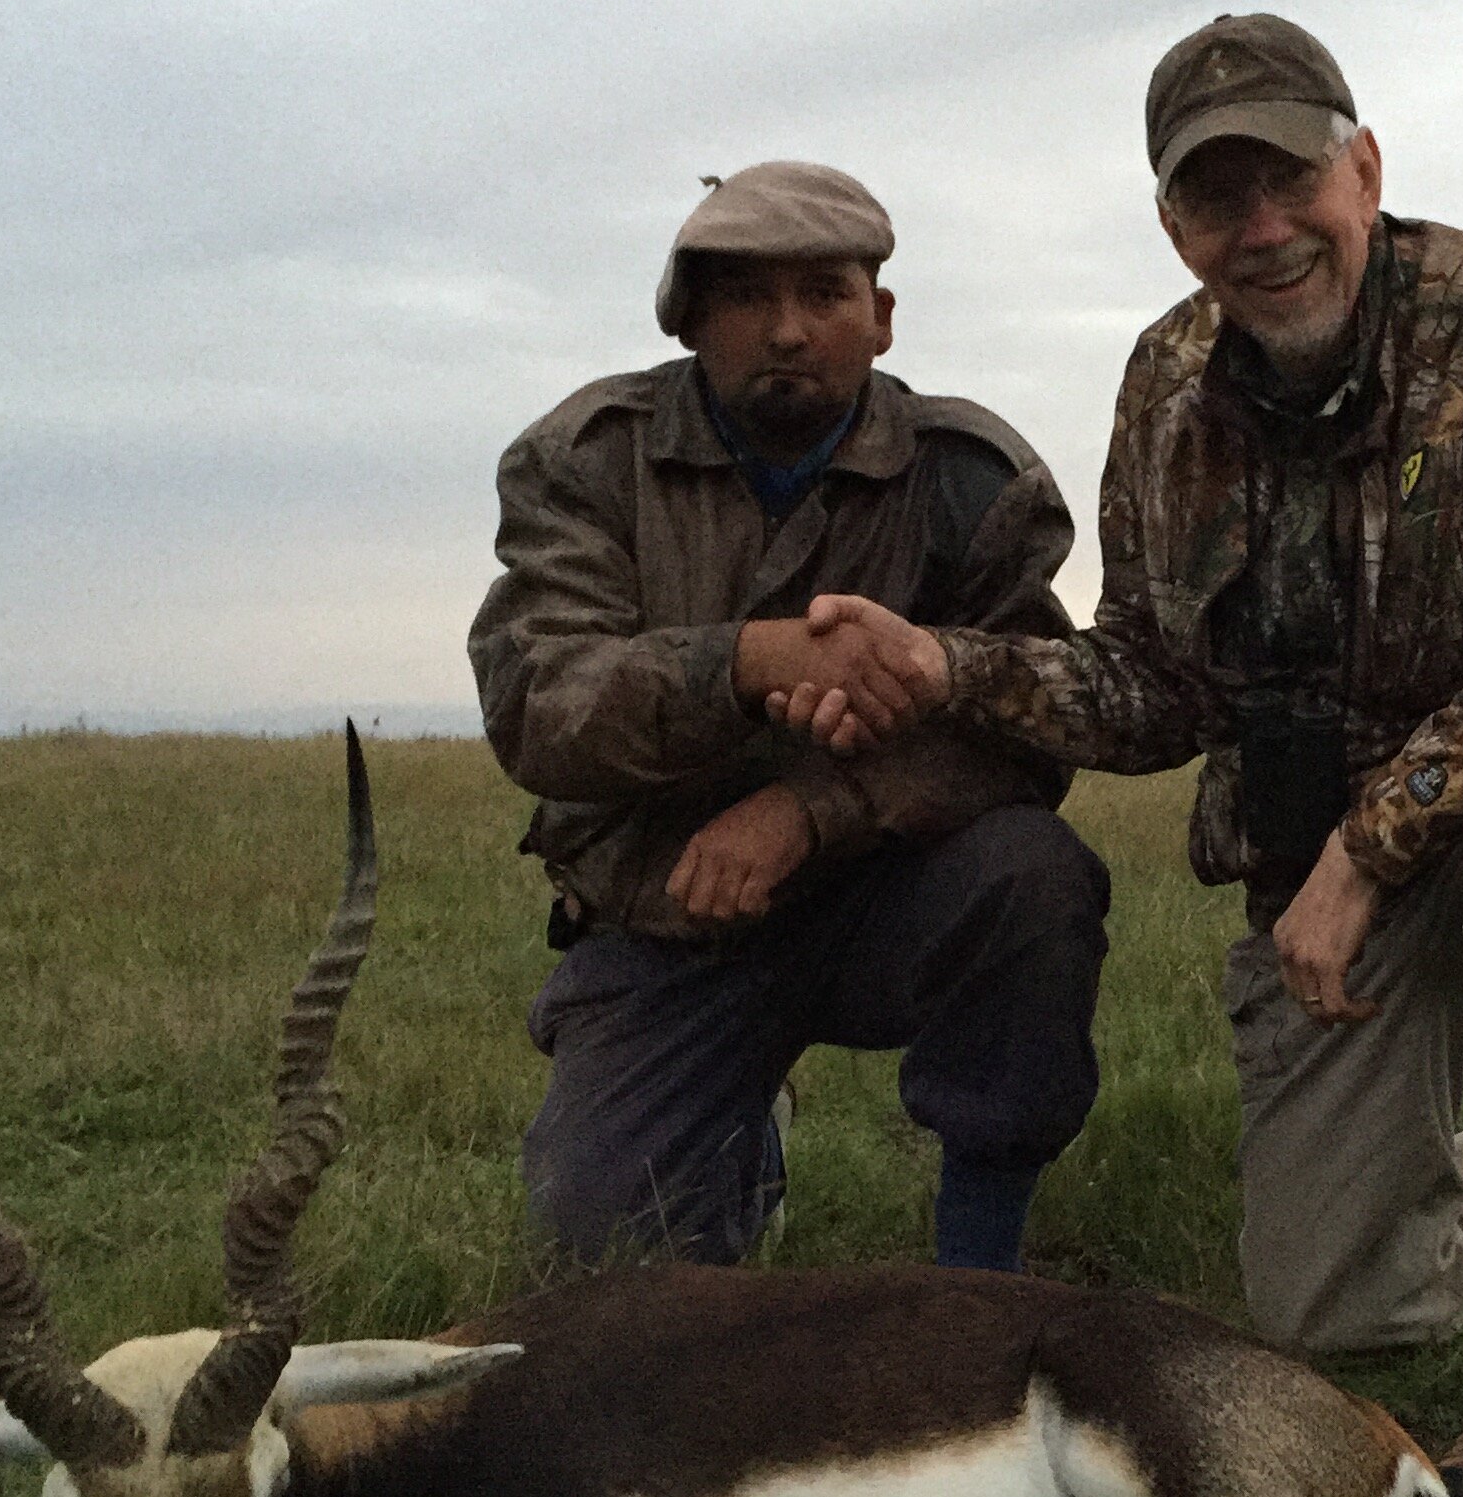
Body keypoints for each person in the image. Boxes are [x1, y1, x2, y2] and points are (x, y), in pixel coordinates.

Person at [774, 19, 1463, 1497]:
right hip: (1320, 879)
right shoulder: (1166, 384)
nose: (1263, 233)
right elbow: (1153, 683)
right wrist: (942, 668)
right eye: (1219, 203)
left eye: (1289, 180)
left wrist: (1375, 835)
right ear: (1174, 225)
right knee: (1331, 1310)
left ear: (1365, 167)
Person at [468, 161, 1108, 1276]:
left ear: (883, 318)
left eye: (824, 294)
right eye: (746, 300)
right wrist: (750, 660)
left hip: (882, 900)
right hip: (668, 920)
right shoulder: (584, 461)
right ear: (688, 321)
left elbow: (1026, 731)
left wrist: (809, 812)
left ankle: (979, 1281)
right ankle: (739, 1138)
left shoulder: (974, 480)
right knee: (610, 1273)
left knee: (1031, 876)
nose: (787, 331)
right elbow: (538, 708)